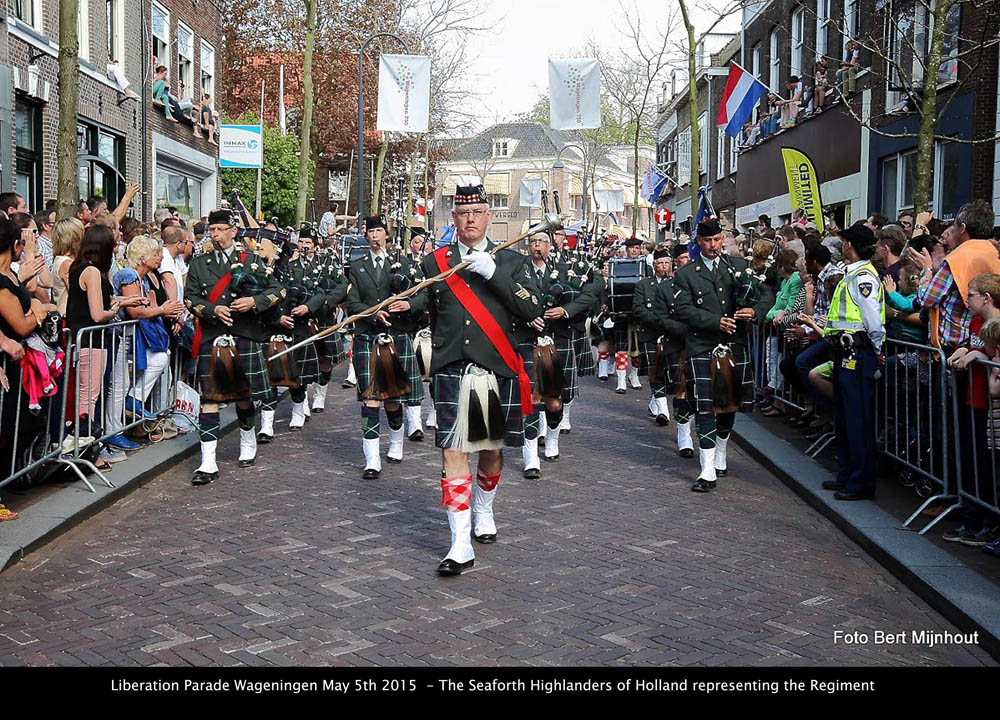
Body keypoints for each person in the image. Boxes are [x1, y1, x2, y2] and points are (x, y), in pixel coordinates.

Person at [419, 184, 539, 575]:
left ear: (489, 217)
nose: (470, 219)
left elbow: (533, 307)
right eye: (462, 213)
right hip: (452, 368)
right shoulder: (435, 262)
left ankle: (484, 507)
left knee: (491, 451)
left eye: (477, 212)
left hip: (497, 367)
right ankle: (459, 543)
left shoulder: (510, 261)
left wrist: (494, 275)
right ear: (453, 219)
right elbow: (428, 308)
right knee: (453, 451)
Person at [183, 208, 285, 484]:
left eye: (220, 230)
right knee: (210, 399)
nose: (214, 235)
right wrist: (212, 310)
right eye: (211, 230)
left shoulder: (251, 261)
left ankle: (248, 440)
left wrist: (254, 302)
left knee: (243, 395)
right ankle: (207, 462)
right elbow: (190, 298)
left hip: (244, 333)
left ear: (233, 231)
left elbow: (278, 291)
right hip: (213, 336)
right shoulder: (199, 264)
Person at [673, 219, 773, 491]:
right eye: (707, 241)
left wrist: (755, 312)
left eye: (717, 240)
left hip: (734, 345)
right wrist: (714, 321)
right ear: (698, 243)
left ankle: (720, 452)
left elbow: (767, 296)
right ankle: (706, 471)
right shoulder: (686, 273)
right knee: (705, 406)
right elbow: (682, 310)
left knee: (728, 405)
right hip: (702, 345)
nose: (713, 245)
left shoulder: (738, 267)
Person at [346, 215, 426, 478]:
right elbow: (352, 302)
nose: (374, 235)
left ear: (387, 235)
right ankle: (372, 460)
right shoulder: (356, 267)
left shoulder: (404, 264)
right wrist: (372, 314)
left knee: (392, 399)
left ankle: (396, 442)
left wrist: (409, 304)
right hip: (368, 334)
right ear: (366, 236)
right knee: (371, 399)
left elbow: (424, 293)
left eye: (379, 231)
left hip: (397, 335)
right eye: (370, 232)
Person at [819, 223, 885, 501]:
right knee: (845, 418)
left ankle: (860, 482)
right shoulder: (852, 274)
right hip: (845, 352)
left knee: (858, 419)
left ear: (850, 245)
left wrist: (877, 347)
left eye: (845, 241)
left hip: (858, 353)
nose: (843, 245)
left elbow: (872, 318)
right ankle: (847, 473)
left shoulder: (863, 277)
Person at [634, 249, 673, 424]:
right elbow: (639, 309)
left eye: (667, 263)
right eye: (660, 263)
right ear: (654, 265)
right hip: (650, 334)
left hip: (672, 335)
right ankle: (663, 411)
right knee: (655, 371)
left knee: (669, 371)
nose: (664, 267)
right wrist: (657, 321)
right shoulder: (643, 285)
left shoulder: (677, 283)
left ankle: (655, 401)